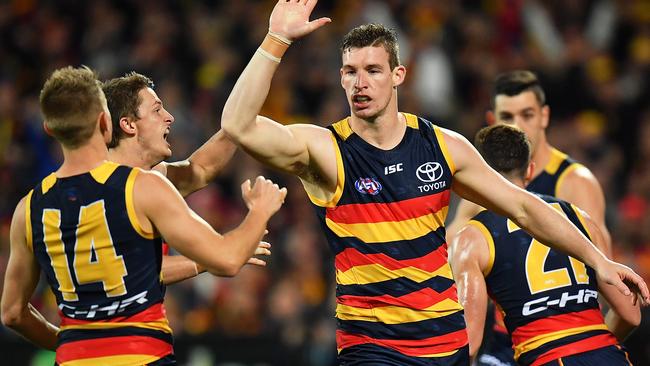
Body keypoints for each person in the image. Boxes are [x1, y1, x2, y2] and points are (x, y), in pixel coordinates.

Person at [220, 1, 648, 364]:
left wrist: (600, 262)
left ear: (398, 75)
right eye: (349, 71)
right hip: (371, 347)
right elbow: (238, 125)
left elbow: (524, 206)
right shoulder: (325, 149)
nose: (360, 82)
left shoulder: (443, 146)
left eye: (372, 69)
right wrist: (275, 40)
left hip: (446, 344)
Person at [0, 66, 287, 365]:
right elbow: (228, 259)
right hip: (143, 356)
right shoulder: (141, 187)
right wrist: (260, 210)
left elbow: (12, 313)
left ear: (50, 128)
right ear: (105, 122)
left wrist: (69, 343)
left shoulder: (28, 208)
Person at [445, 70, 612, 366]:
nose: (518, 125)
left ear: (544, 117)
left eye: (527, 115)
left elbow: (605, 286)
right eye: (507, 116)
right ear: (492, 122)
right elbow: (451, 266)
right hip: (503, 339)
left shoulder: (573, 183)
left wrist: (593, 350)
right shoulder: (483, 188)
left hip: (562, 341)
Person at [103, 72, 266, 285]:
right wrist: (209, 258)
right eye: (157, 110)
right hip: (128, 319)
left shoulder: (150, 176)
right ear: (129, 124)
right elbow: (129, 268)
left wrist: (238, 124)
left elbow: (200, 168)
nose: (169, 116)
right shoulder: (103, 191)